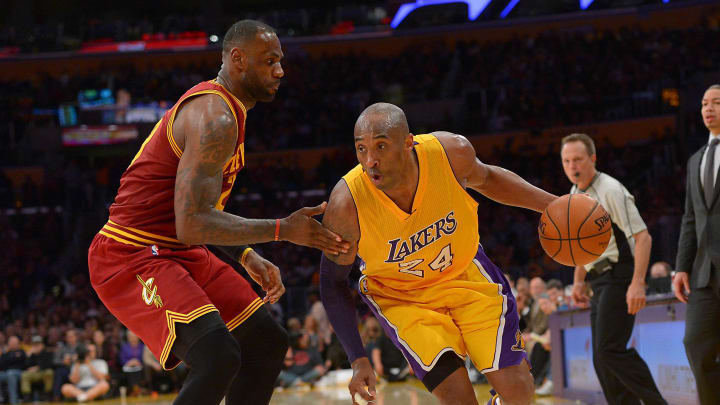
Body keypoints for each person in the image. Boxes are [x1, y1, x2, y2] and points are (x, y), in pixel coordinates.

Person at [87, 20, 349, 405]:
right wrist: (281, 229)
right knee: (217, 356)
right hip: (132, 253)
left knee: (266, 342)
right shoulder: (216, 117)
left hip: (178, 248)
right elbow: (192, 223)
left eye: (281, 60)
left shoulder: (227, 112)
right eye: (270, 60)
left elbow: (198, 213)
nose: (281, 70)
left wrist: (246, 254)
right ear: (237, 59)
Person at [319, 102, 557, 405]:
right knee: (458, 400)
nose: (371, 160)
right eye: (361, 149)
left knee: (520, 394)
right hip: (403, 299)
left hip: (466, 275)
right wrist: (357, 359)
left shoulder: (450, 153)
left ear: (409, 143)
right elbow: (332, 281)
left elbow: (489, 178)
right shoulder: (346, 204)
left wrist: (553, 205)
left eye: (380, 146)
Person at [561, 133, 667, 405]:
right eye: (567, 160)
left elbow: (644, 237)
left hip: (620, 275)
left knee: (609, 350)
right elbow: (581, 247)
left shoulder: (611, 190)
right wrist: (578, 281)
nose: (573, 166)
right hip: (598, 280)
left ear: (592, 159)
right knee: (601, 358)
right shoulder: (574, 194)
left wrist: (638, 283)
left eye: (578, 160)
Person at [674, 84, 720, 405]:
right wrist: (681, 267)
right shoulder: (695, 160)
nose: (708, 108)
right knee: (694, 344)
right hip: (704, 272)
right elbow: (690, 218)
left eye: (716, 102)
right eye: (704, 103)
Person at [20, 335, 54, 402]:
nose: (36, 346)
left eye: (38, 344)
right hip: (33, 374)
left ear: (42, 345)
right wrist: (28, 356)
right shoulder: (30, 354)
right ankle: (27, 396)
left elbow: (49, 365)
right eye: (35, 344)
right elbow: (24, 366)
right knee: (24, 374)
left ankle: (47, 395)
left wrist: (38, 368)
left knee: (49, 372)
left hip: (43, 373)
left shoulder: (47, 353)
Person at [0, 336, 26, 404]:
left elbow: (21, 362)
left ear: (18, 343)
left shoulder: (21, 352)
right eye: (11, 343)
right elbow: (2, 363)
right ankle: (1, 399)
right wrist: (6, 354)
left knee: (10, 374)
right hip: (7, 372)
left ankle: (13, 401)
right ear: (8, 343)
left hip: (19, 372)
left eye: (14, 343)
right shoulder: (6, 353)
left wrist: (9, 359)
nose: (13, 344)